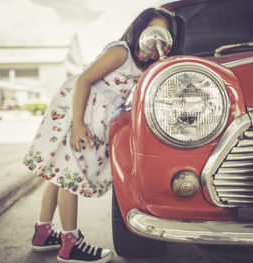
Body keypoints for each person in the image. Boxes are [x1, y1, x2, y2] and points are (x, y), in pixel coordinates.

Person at [23, 7, 185, 263]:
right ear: (137, 31)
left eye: (162, 39)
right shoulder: (121, 52)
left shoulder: (146, 67)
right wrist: (77, 123)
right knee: (68, 176)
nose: (154, 43)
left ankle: (42, 234)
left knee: (58, 174)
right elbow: (85, 79)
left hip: (95, 118)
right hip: (79, 111)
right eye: (150, 33)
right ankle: (70, 245)